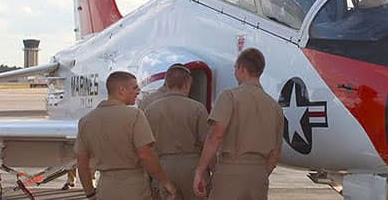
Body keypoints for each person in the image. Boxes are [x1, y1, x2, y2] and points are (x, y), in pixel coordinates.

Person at [193, 48, 284, 200]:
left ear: (242, 69)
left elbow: (216, 136)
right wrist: (260, 173)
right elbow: (275, 153)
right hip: (259, 176)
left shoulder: (230, 97)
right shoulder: (275, 107)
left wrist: (200, 170)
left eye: (235, 68)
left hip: (230, 173)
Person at [75, 71, 176, 200]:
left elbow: (82, 162)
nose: (138, 92)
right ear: (121, 90)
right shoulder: (135, 116)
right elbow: (145, 154)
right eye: (134, 88)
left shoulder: (86, 121)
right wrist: (165, 182)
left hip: (105, 188)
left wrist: (90, 193)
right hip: (133, 188)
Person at [145, 64, 209, 200]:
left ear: (167, 83)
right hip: (192, 167)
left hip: (163, 168)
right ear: (187, 84)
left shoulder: (151, 110)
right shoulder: (197, 108)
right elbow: (207, 142)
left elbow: (147, 147)